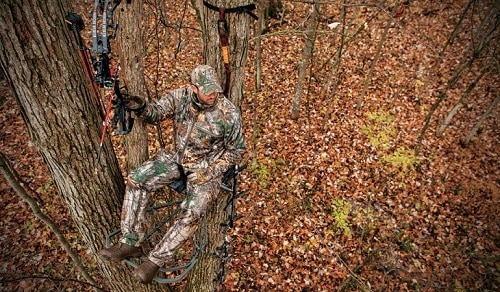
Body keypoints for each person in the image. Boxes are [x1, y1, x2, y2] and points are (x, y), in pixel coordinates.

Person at [99, 65, 246, 284]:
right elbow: (155, 113)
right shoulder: (181, 96)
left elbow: (237, 151)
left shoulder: (228, 113)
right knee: (137, 179)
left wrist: (209, 172)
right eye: (207, 90)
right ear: (193, 88)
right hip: (177, 158)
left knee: (192, 212)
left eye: (215, 90)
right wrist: (140, 107)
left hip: (206, 168)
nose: (213, 94)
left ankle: (155, 260)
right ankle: (130, 242)